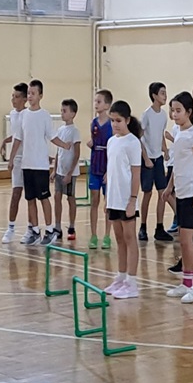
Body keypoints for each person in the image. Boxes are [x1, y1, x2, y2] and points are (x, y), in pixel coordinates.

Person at [8, 79, 71, 247]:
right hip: (26, 164)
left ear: (40, 96)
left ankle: (50, 230)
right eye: (28, 93)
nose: (30, 96)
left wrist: (64, 145)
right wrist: (12, 158)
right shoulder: (23, 115)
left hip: (40, 165)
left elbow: (52, 136)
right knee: (30, 199)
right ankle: (35, 231)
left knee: (43, 198)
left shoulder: (44, 115)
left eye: (33, 93)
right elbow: (18, 138)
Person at [163, 92, 193, 303]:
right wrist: (169, 187)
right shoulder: (179, 134)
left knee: (188, 241)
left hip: (192, 194)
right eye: (172, 110)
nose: (174, 114)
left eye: (178, 110)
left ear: (189, 112)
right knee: (183, 240)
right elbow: (178, 165)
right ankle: (187, 282)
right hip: (181, 193)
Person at [101, 101, 143, 299]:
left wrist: (132, 200)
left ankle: (132, 283)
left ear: (127, 120)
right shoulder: (111, 141)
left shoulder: (133, 142)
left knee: (129, 238)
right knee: (119, 239)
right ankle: (121, 276)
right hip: (114, 199)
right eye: (112, 120)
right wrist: (107, 199)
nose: (115, 124)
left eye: (118, 120)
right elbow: (111, 172)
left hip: (127, 199)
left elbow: (136, 174)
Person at [139, 82, 174, 243]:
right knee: (147, 193)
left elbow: (160, 135)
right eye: (162, 93)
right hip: (147, 159)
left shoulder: (163, 115)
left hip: (158, 159)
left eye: (165, 93)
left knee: (162, 193)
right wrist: (146, 158)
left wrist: (165, 150)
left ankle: (159, 227)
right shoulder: (146, 115)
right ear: (154, 96)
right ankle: (143, 226)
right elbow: (139, 138)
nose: (165, 96)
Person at [1, 83, 29, 244]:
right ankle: (11, 228)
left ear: (25, 99)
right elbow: (16, 135)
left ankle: (32, 228)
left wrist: (10, 159)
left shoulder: (28, 114)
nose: (13, 99)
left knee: (31, 196)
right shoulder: (12, 114)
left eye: (17, 97)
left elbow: (22, 137)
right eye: (12, 96)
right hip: (17, 158)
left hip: (27, 157)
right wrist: (5, 141)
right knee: (15, 193)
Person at [87, 90, 114, 249]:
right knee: (94, 200)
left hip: (106, 166)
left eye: (99, 101)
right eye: (95, 101)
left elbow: (113, 149)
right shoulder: (94, 123)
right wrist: (91, 143)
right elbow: (94, 140)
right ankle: (93, 235)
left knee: (107, 202)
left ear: (107, 105)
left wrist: (109, 171)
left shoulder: (112, 124)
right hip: (95, 166)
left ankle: (107, 235)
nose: (96, 104)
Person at [53, 99, 81, 241]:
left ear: (73, 114)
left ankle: (71, 226)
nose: (62, 113)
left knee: (70, 198)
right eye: (61, 110)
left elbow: (76, 154)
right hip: (59, 171)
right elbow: (59, 152)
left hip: (70, 173)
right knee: (57, 197)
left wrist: (70, 173)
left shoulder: (75, 132)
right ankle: (57, 227)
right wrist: (54, 170)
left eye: (65, 111)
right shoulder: (60, 130)